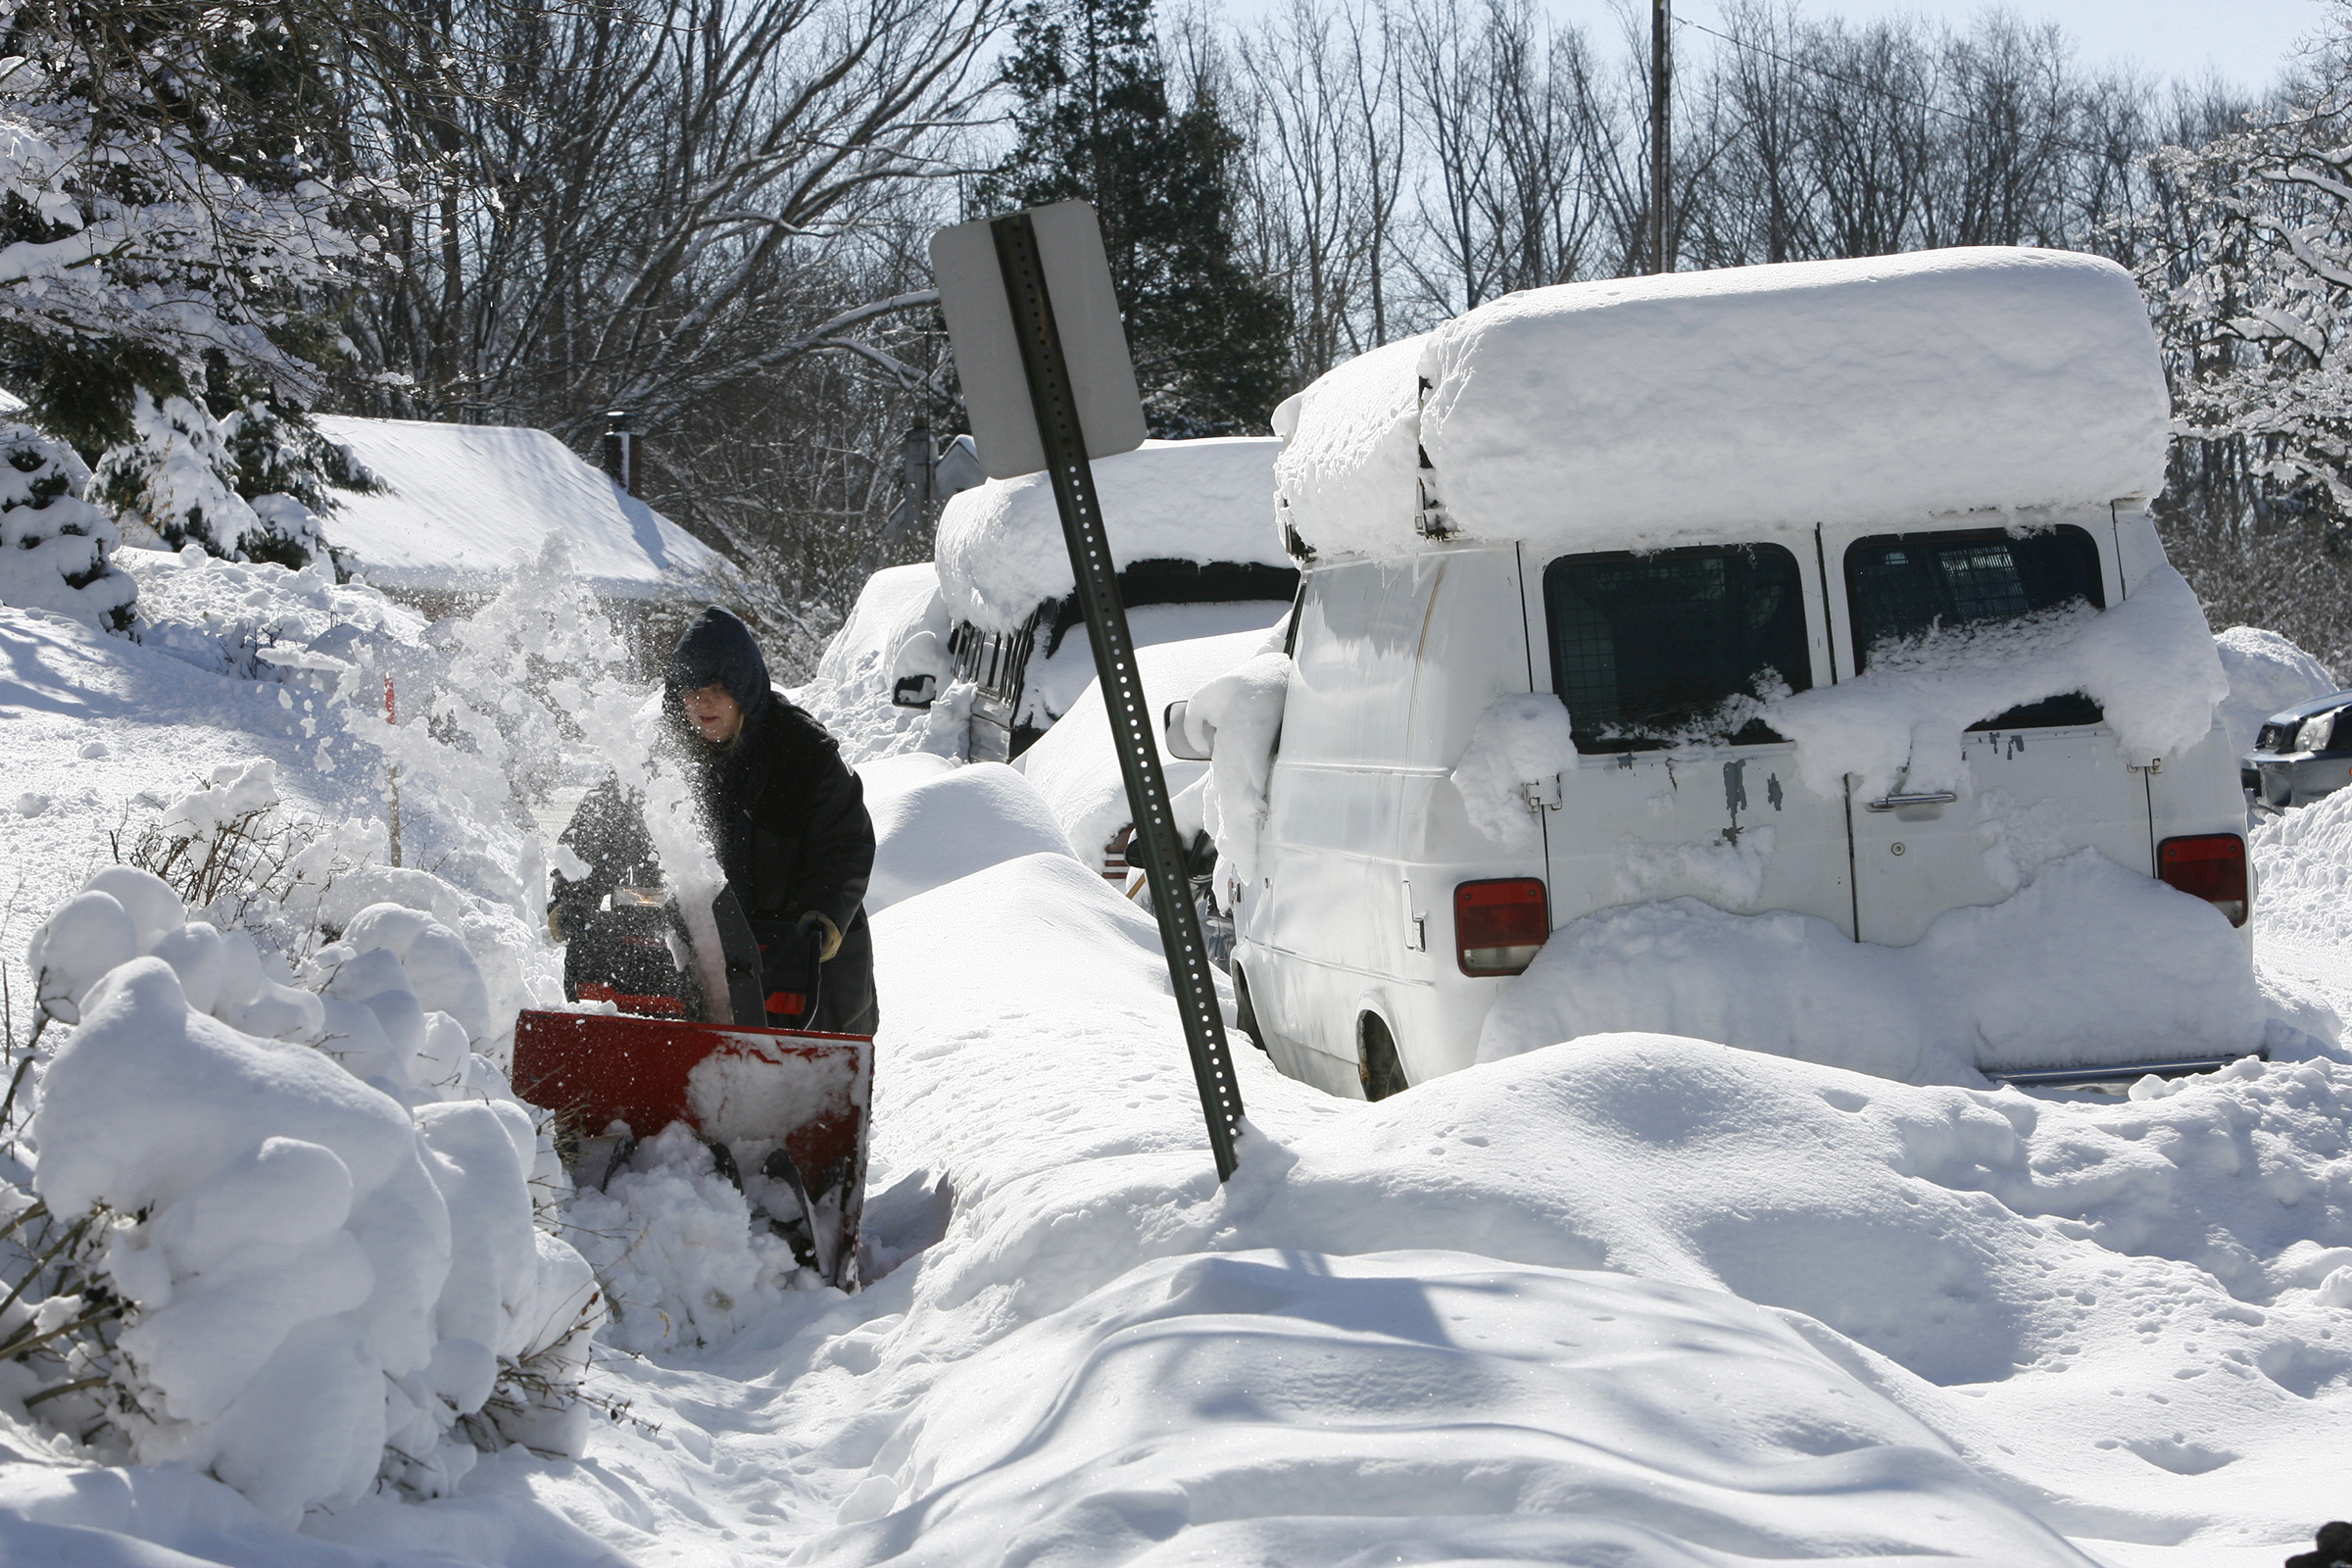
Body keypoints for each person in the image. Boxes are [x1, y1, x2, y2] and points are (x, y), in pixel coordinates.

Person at [553, 608, 878, 1035]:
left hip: (788, 953)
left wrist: (827, 914)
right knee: (633, 903)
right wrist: (572, 892)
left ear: (745, 691)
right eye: (692, 690)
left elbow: (843, 845)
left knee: (795, 1086)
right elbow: (598, 827)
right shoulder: (656, 754)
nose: (702, 702)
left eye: (718, 689)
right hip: (684, 949)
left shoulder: (803, 754)